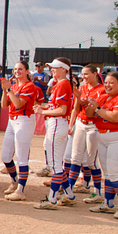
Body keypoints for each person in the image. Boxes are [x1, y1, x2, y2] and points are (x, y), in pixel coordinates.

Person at [32, 58, 77, 210]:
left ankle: (51, 200)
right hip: (57, 123)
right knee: (55, 163)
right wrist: (44, 108)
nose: (52, 70)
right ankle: (69, 195)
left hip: (57, 123)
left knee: (55, 165)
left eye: (55, 67)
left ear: (64, 69)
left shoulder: (63, 84)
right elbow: (57, 107)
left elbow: (62, 110)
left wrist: (43, 112)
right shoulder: (60, 83)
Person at [85, 71, 118, 218]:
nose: (107, 85)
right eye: (106, 82)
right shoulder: (103, 97)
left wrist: (97, 109)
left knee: (115, 173)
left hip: (117, 137)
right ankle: (108, 203)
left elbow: (116, 117)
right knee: (107, 173)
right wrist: (92, 105)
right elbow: (89, 114)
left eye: (112, 82)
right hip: (102, 136)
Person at [0, 61, 37, 201]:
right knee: (5, 156)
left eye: (20, 69)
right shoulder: (14, 86)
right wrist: (5, 90)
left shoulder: (30, 86)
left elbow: (18, 104)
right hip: (12, 120)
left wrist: (9, 90)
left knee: (21, 158)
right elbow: (4, 105)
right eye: (15, 69)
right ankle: (14, 181)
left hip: (24, 120)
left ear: (27, 71)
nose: (17, 71)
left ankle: (21, 190)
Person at [69, 65, 105, 203]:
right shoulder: (83, 87)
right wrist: (71, 124)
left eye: (86, 74)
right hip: (80, 122)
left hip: (93, 125)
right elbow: (76, 108)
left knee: (91, 161)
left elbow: (96, 112)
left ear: (95, 74)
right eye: (82, 74)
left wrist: (88, 103)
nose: (83, 77)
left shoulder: (101, 90)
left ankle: (97, 192)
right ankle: (69, 191)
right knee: (75, 158)